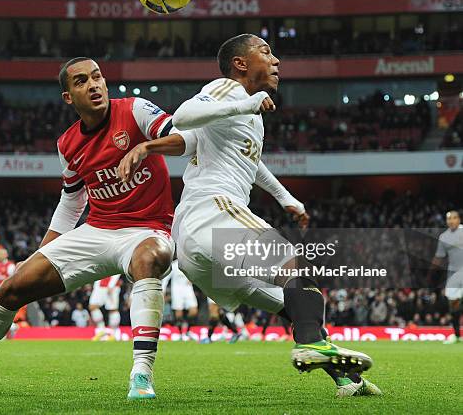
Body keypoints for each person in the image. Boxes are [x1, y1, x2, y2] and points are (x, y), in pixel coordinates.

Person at [117, 34, 381, 398]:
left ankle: (345, 381)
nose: (276, 62)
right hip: (214, 212)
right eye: (266, 53)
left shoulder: (246, 116)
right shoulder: (229, 90)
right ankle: (310, 345)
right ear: (241, 64)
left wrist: (287, 199)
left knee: (294, 301)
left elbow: (250, 164)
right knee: (294, 266)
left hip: (196, 248)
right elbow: (184, 115)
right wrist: (247, 104)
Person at [0, 57, 196, 400]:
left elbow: (186, 141)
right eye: (81, 81)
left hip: (148, 230)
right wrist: (41, 253)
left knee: (149, 259)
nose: (93, 85)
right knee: (12, 287)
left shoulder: (135, 110)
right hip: (97, 231)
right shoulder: (68, 144)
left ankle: (141, 374)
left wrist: (145, 146)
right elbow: (72, 202)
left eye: (97, 77)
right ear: (69, 97)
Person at [432, 210, 463, 344]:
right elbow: (439, 257)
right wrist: (430, 271)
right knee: (454, 304)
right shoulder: (443, 237)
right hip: (453, 274)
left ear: (459, 219)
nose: (451, 221)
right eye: (449, 219)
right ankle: (456, 335)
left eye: (454, 218)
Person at [161, 260, 198, 340]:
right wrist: (163, 291)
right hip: (177, 291)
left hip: (188, 290)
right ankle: (181, 334)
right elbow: (166, 279)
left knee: (194, 311)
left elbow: (196, 274)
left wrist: (193, 279)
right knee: (179, 313)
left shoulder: (190, 264)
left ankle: (187, 331)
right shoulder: (173, 265)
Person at [89, 274, 122, 340]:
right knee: (92, 306)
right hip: (100, 283)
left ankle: (113, 334)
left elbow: (117, 267)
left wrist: (111, 284)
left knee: (113, 309)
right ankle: (101, 331)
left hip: (112, 285)